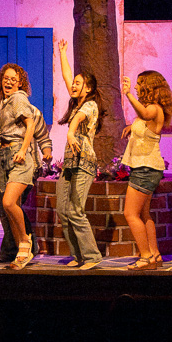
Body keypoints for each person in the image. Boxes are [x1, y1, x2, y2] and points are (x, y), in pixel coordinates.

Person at [55, 40, 103, 269]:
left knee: (76, 210)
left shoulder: (90, 105)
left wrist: (71, 132)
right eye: (74, 83)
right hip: (70, 162)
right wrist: (63, 53)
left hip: (84, 161)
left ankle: (92, 257)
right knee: (63, 210)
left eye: (78, 83)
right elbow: (67, 76)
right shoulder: (77, 102)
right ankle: (78, 255)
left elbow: (78, 119)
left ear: (88, 88)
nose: (73, 85)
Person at [120, 70, 172, 270]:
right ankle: (154, 253)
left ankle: (145, 256)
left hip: (145, 168)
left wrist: (127, 94)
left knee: (130, 213)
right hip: (145, 167)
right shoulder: (151, 109)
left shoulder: (154, 108)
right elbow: (144, 122)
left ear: (148, 86)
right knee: (144, 214)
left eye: (139, 83)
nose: (135, 87)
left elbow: (145, 114)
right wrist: (131, 127)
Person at [0, 63, 41, 269]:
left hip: (18, 155)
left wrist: (23, 150)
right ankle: (22, 248)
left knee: (9, 203)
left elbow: (31, 124)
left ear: (20, 83)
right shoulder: (5, 101)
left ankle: (25, 242)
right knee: (9, 207)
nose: (8, 82)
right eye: (6, 78)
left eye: (13, 79)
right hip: (4, 156)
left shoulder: (18, 98)